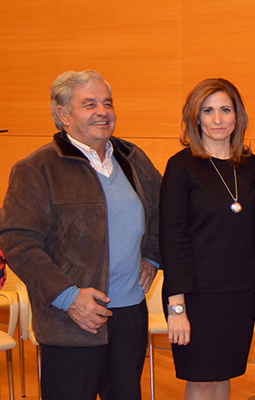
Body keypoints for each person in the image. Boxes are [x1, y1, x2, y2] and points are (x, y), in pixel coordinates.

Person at [0, 70, 161, 400]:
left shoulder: (133, 159)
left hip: (129, 313)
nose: (103, 111)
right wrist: (68, 296)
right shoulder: (36, 169)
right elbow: (18, 241)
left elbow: (162, 214)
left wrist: (152, 256)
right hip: (70, 319)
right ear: (63, 115)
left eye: (107, 102)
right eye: (89, 104)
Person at [160, 78, 255, 400]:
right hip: (197, 295)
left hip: (241, 292)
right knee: (201, 378)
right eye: (208, 111)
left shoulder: (252, 165)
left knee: (224, 376)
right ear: (196, 117)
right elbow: (171, 237)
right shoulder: (181, 167)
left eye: (225, 110)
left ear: (237, 117)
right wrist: (176, 307)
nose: (217, 120)